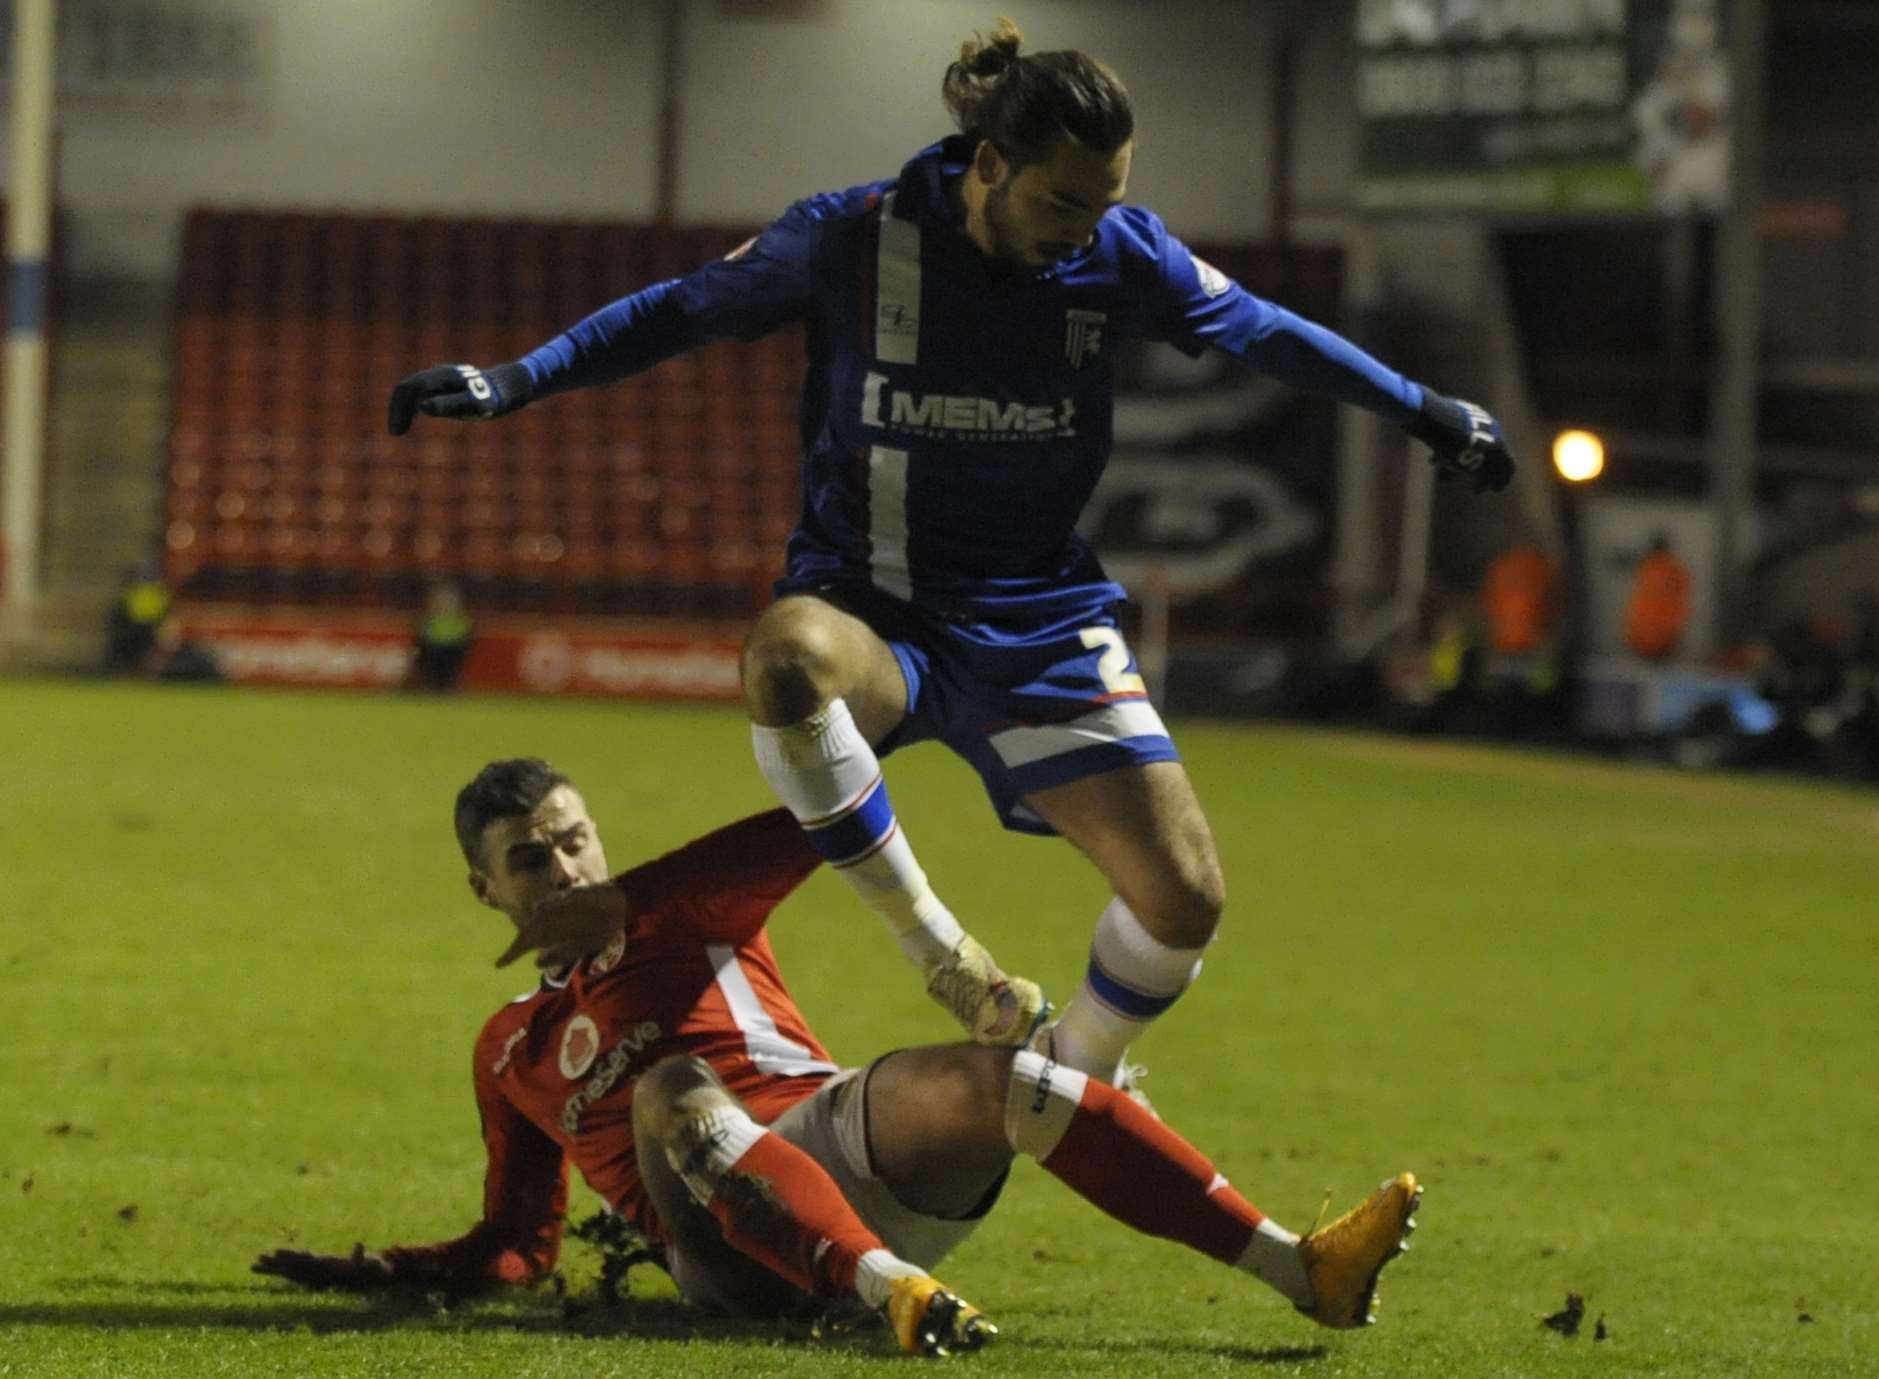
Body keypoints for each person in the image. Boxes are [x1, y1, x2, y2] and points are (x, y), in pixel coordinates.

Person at [385, 22, 1516, 1084]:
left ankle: (1066, 1082)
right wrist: (513, 378)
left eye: (1107, 201)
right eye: (1064, 200)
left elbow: (1267, 329)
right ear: (988, 163)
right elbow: (682, 310)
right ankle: (939, 951)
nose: (1087, 224)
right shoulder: (850, 236)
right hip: (868, 605)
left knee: (1184, 901)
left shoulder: (1119, 255)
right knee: (785, 658)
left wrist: (1424, 407)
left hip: (1034, 611)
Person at [252, 758, 1421, 1354]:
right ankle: (891, 1292)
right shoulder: (507, 1045)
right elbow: (520, 1244)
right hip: (725, 1247)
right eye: (529, 859)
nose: (561, 868)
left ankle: (1298, 1269)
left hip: (832, 1138)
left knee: (997, 1081)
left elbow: (828, 811)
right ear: (484, 889)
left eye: (572, 840)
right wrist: (386, 1271)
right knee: (672, 1086)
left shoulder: (685, 905)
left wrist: (631, 894)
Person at [1623, 534, 1691, 661]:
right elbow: (1682, 603)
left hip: (1641, 636)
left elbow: (1637, 604)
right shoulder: (1676, 571)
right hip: (1665, 637)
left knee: (1642, 674)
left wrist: (1631, 632)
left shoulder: (1646, 569)